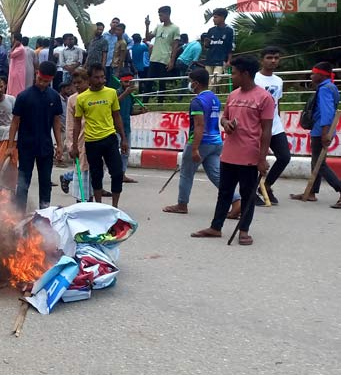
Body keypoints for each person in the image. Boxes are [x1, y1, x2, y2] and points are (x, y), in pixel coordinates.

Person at [192, 56, 274, 246]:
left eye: (234, 73)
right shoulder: (233, 95)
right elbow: (224, 118)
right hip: (228, 153)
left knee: (247, 195)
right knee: (224, 192)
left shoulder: (264, 98)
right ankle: (215, 227)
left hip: (249, 156)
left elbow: (267, 130)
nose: (232, 77)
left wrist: (262, 159)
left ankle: (243, 230)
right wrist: (226, 124)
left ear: (245, 74)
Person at [162, 68, 241, 215]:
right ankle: (236, 200)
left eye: (190, 82)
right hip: (216, 142)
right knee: (216, 175)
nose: (190, 85)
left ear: (196, 83)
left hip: (200, 142)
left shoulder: (197, 102)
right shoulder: (214, 98)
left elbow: (199, 125)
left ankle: (182, 204)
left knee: (186, 173)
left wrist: (194, 148)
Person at [70, 63, 127, 207]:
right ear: (89, 79)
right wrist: (75, 145)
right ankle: (99, 206)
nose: (101, 80)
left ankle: (115, 206)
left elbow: (117, 116)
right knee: (96, 176)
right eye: (97, 78)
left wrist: (124, 139)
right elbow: (76, 123)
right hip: (91, 141)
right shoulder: (82, 98)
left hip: (110, 138)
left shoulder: (111, 93)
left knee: (117, 173)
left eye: (102, 77)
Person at [10, 61, 64, 212]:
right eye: (40, 80)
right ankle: (19, 213)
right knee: (23, 182)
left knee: (45, 182)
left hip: (45, 146)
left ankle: (44, 212)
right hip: (26, 145)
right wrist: (10, 146)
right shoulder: (23, 96)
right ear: (36, 74)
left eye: (46, 81)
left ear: (51, 80)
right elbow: (15, 122)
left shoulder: (54, 97)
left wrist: (59, 144)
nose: (42, 83)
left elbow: (56, 121)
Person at [290, 62, 341, 208]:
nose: (311, 76)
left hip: (320, 131)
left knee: (320, 164)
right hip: (321, 129)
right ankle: (311, 192)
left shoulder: (325, 89)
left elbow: (327, 112)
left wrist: (325, 132)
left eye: (314, 73)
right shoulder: (330, 87)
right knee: (316, 162)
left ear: (322, 74)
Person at [254, 46, 289, 206]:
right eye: (269, 57)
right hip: (256, 126)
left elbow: (277, 102)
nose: (273, 60)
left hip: (275, 126)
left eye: (276, 58)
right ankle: (250, 192)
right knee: (253, 161)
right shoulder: (254, 79)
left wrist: (279, 120)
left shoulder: (278, 81)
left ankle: (266, 186)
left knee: (284, 157)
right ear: (262, 60)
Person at [61, 68, 94, 202]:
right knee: (82, 177)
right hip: (79, 144)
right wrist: (71, 145)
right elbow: (70, 125)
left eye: (80, 82)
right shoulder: (72, 100)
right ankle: (81, 206)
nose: (77, 86)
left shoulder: (95, 95)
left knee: (94, 179)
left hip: (96, 141)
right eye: (74, 83)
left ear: (87, 81)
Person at [116, 68, 149, 183]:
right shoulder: (116, 92)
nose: (129, 84)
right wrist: (126, 93)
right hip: (114, 128)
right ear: (121, 82)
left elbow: (130, 111)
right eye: (126, 82)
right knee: (112, 153)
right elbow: (113, 104)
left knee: (125, 152)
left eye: (130, 82)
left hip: (126, 127)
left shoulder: (131, 96)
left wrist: (141, 111)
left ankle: (122, 174)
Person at [144, 6, 181, 103]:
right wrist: (147, 25)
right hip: (154, 58)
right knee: (149, 81)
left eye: (161, 15)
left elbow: (175, 46)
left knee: (162, 82)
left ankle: (160, 102)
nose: (160, 17)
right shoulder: (158, 26)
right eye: (159, 15)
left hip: (165, 59)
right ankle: (144, 102)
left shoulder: (175, 28)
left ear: (167, 14)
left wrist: (172, 61)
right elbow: (148, 38)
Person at [205, 8, 234, 89]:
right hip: (209, 60)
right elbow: (207, 46)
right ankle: (210, 100)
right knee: (208, 81)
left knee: (215, 80)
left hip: (221, 61)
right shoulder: (211, 30)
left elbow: (230, 47)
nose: (213, 19)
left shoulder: (229, 30)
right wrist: (206, 43)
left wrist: (229, 61)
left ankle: (204, 95)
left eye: (215, 17)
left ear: (222, 17)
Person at [103, 18, 133, 85]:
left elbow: (131, 42)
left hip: (117, 65)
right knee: (106, 81)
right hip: (107, 62)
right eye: (113, 22)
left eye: (117, 23)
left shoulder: (123, 38)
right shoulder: (105, 35)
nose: (115, 24)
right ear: (110, 24)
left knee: (114, 82)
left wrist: (125, 49)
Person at [7, 32, 27, 97]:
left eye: (12, 38)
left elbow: (10, 55)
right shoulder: (18, 48)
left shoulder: (20, 48)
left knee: (17, 88)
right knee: (12, 87)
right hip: (14, 71)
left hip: (17, 72)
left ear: (15, 39)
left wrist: (14, 46)